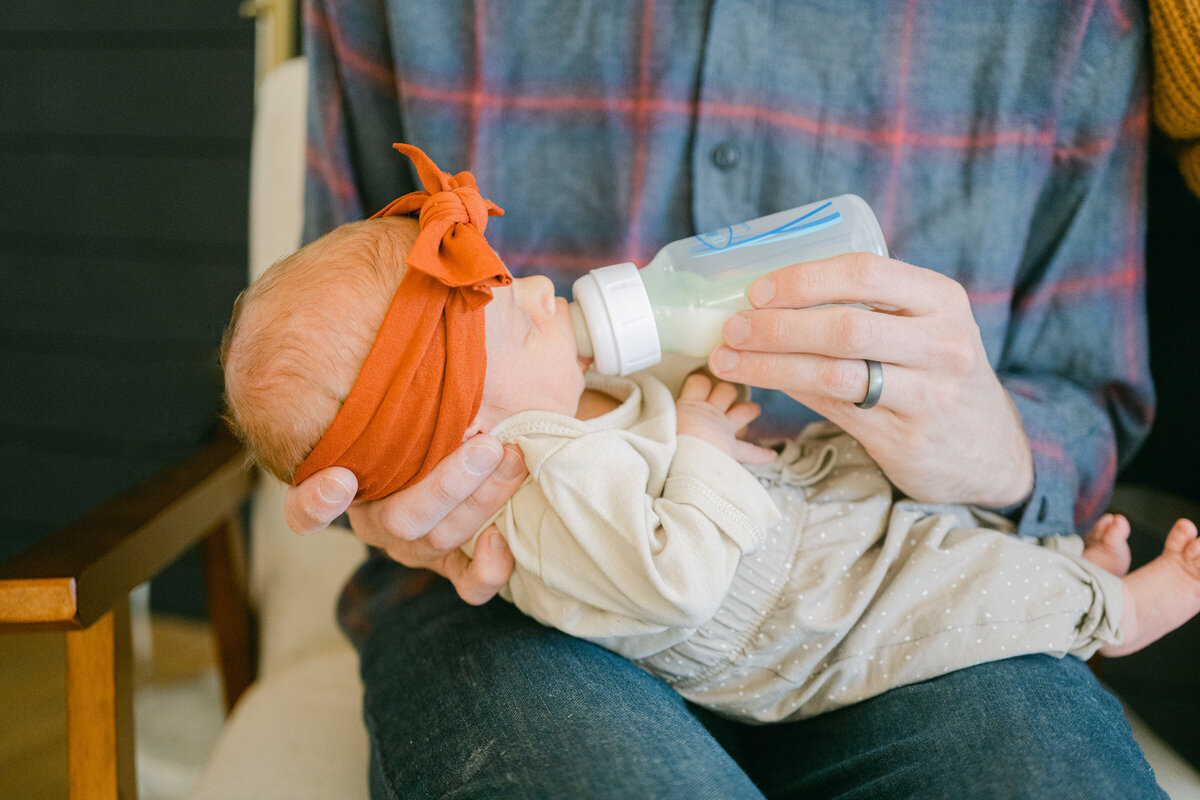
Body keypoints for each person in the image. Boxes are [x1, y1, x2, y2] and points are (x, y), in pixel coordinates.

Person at [286, 2, 1165, 797]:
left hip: (860, 554)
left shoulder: (1074, 18)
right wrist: (375, 482)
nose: (532, 280)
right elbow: (327, 344)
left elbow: (1088, 393)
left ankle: (1099, 597)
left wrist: (1001, 447)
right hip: (506, 598)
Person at [224, 143, 1200, 724]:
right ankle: (1112, 608)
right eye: (507, 314)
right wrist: (692, 438)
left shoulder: (556, 415)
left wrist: (689, 395)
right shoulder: (547, 489)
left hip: (777, 526)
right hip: (778, 619)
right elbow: (677, 572)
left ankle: (1062, 557)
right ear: (463, 425)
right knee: (934, 596)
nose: (531, 284)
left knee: (893, 499)